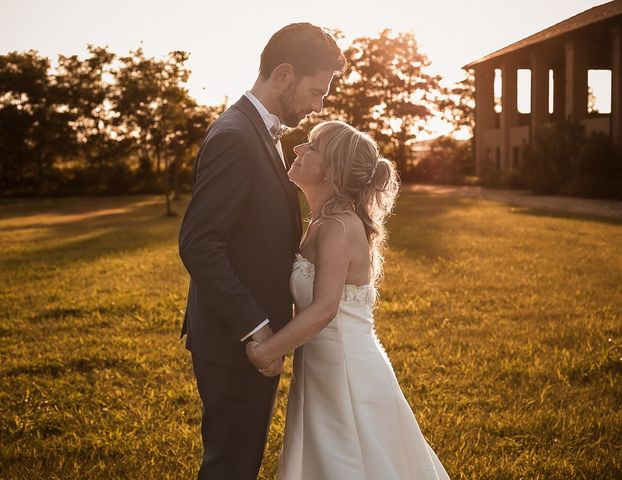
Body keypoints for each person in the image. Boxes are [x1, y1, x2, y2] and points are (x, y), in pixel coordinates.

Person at [178, 24, 346, 479]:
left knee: (239, 462)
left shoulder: (259, 131)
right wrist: (255, 331)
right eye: (316, 92)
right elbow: (199, 243)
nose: (318, 107)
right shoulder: (235, 134)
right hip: (235, 340)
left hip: (252, 338)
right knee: (230, 466)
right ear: (285, 74)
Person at [246, 121, 450, 479]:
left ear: (332, 169)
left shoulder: (338, 228)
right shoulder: (321, 223)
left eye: (311, 146)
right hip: (321, 370)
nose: (297, 149)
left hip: (345, 373)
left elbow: (325, 310)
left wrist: (267, 351)